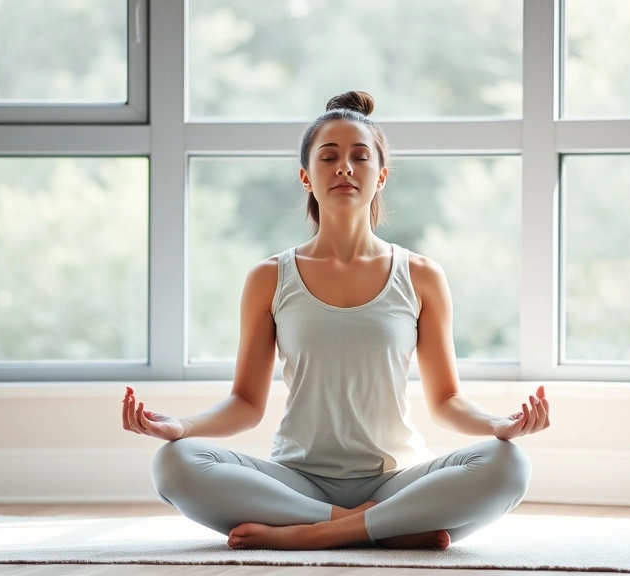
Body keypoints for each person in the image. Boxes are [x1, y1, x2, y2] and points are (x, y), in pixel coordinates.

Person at [120, 90, 551, 551]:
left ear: (381, 176)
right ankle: (380, 528)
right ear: (306, 177)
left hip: (397, 479)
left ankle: (313, 534)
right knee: (173, 464)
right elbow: (246, 402)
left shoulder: (421, 275)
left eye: (359, 157)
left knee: (510, 465)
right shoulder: (269, 277)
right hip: (297, 482)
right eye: (329, 157)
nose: (344, 167)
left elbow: (446, 400)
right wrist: (180, 428)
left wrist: (497, 424)